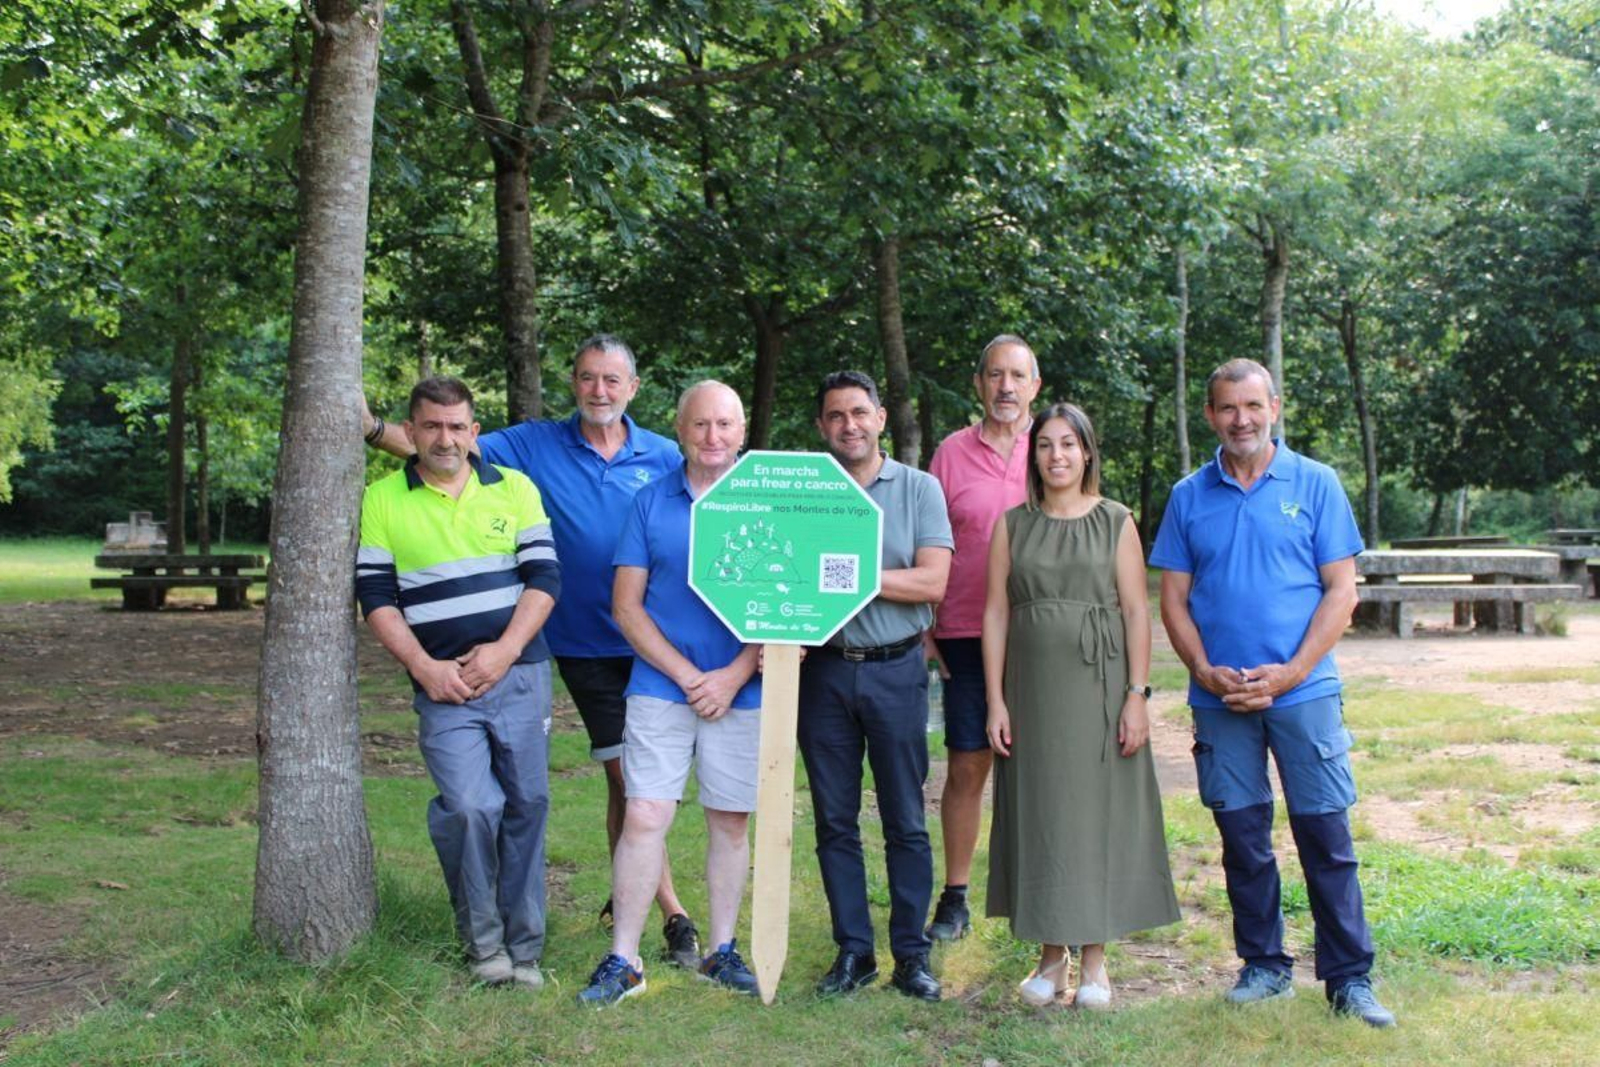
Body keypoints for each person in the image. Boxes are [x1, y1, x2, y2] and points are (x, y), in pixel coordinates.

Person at [362, 336, 702, 969]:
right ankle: (672, 911)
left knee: (648, 783)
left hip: (658, 638)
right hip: (583, 644)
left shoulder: (662, 453)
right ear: (572, 383)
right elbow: (444, 448)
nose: (599, 390)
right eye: (587, 378)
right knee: (628, 779)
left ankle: (636, 896)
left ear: (633, 387)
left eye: (612, 380)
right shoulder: (531, 445)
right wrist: (374, 428)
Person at [1148, 358, 1396, 1028]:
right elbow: (1172, 598)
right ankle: (1263, 965)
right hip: (1220, 698)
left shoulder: (1315, 484)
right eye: (1228, 408)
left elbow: (1342, 591)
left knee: (1326, 836)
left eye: (1253, 406)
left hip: (1303, 692)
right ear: (1210, 416)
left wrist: (1288, 672)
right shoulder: (1187, 495)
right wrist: (1203, 669)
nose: (1242, 419)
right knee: (1243, 836)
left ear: (1275, 407)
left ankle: (1349, 978)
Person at [355, 376, 562, 988]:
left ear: (474, 432)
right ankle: (484, 945)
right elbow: (374, 594)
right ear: (411, 431)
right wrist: (423, 667)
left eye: (456, 427)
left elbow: (545, 579)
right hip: (443, 685)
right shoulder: (383, 499)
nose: (445, 439)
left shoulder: (516, 488)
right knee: (472, 808)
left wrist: (505, 650)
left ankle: (525, 950)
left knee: (527, 804)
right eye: (431, 426)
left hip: (519, 672)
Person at [982, 402, 1180, 1009]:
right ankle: (1050, 959)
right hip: (1032, 694)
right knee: (1042, 813)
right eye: (1045, 445)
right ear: (1033, 454)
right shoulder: (1012, 525)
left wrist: (1137, 696)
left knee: (1096, 816)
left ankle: (1095, 960)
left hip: (1100, 688)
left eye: (1068, 444)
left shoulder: (1115, 520)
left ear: (1087, 452)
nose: (1057, 456)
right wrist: (996, 699)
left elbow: (1137, 612)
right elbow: (994, 611)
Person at [577, 381, 763, 1007]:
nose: (713, 436)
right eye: (701, 424)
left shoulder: (769, 503)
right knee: (644, 814)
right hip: (662, 685)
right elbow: (627, 608)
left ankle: (722, 950)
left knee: (730, 822)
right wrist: (688, 677)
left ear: (743, 432)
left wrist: (734, 674)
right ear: (679, 431)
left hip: (745, 688)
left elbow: (793, 609)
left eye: (725, 424)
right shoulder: (649, 502)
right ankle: (624, 959)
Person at [800, 370, 953, 1002]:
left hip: (896, 669)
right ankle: (854, 952)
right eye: (836, 416)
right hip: (823, 671)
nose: (849, 426)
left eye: (859, 413)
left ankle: (911, 956)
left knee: (905, 819)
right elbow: (787, 575)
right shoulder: (805, 492)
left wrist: (851, 575)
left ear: (881, 418)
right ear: (822, 426)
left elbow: (932, 582)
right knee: (834, 819)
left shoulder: (919, 489)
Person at [924, 334, 1040, 942]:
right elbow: (924, 539)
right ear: (979, 384)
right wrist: (926, 623)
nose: (1006, 387)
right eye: (995, 375)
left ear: (1035, 387)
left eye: (1017, 376)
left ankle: (1043, 892)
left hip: (1041, 634)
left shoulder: (1052, 448)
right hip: (965, 632)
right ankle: (956, 896)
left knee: (1042, 766)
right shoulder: (950, 453)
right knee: (968, 764)